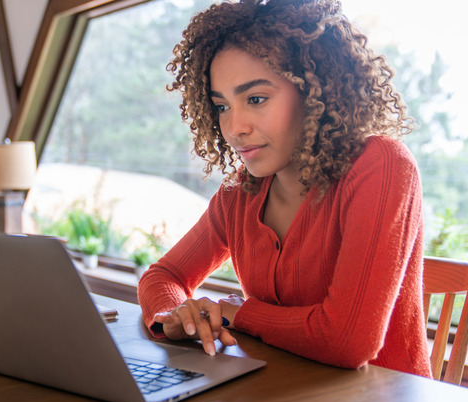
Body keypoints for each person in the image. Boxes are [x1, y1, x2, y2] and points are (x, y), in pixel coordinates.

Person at [137, 0, 432, 377]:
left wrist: (240, 313)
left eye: (256, 99)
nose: (234, 128)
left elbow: (348, 340)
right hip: (278, 397)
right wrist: (175, 315)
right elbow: (164, 277)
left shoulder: (382, 166)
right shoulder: (238, 196)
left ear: (315, 92)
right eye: (222, 106)